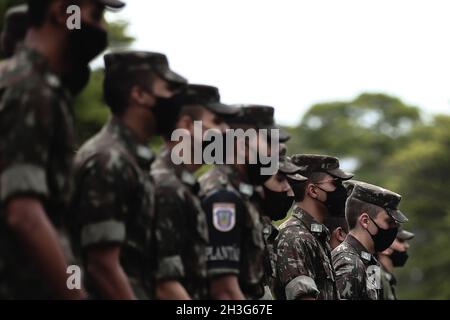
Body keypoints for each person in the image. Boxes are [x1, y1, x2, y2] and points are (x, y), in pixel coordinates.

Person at [0, 0, 124, 299]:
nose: (101, 28)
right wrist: (75, 294)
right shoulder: (32, 87)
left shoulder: (20, 80)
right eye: (95, 14)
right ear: (60, 12)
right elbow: (24, 214)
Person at [70, 51, 187, 299]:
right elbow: (102, 265)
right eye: (168, 90)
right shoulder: (109, 160)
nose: (176, 101)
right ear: (139, 94)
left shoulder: (134, 160)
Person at [150, 84, 239, 300]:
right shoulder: (166, 186)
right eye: (217, 122)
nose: (227, 131)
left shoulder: (185, 185)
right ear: (187, 125)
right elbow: (165, 286)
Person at [198, 105, 289, 299]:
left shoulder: (243, 193)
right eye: (269, 143)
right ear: (241, 145)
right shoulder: (223, 195)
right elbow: (224, 289)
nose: (275, 152)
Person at [273, 155, 353, 300]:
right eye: (336, 183)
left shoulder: (317, 237)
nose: (341, 190)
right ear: (313, 190)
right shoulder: (295, 236)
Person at [332, 181, 409, 300]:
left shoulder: (368, 262)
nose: (393, 229)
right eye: (389, 222)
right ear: (365, 221)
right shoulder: (349, 263)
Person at [378, 226, 414, 300]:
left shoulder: (386, 278)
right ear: (384, 247)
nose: (407, 246)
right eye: (400, 241)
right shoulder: (376, 278)